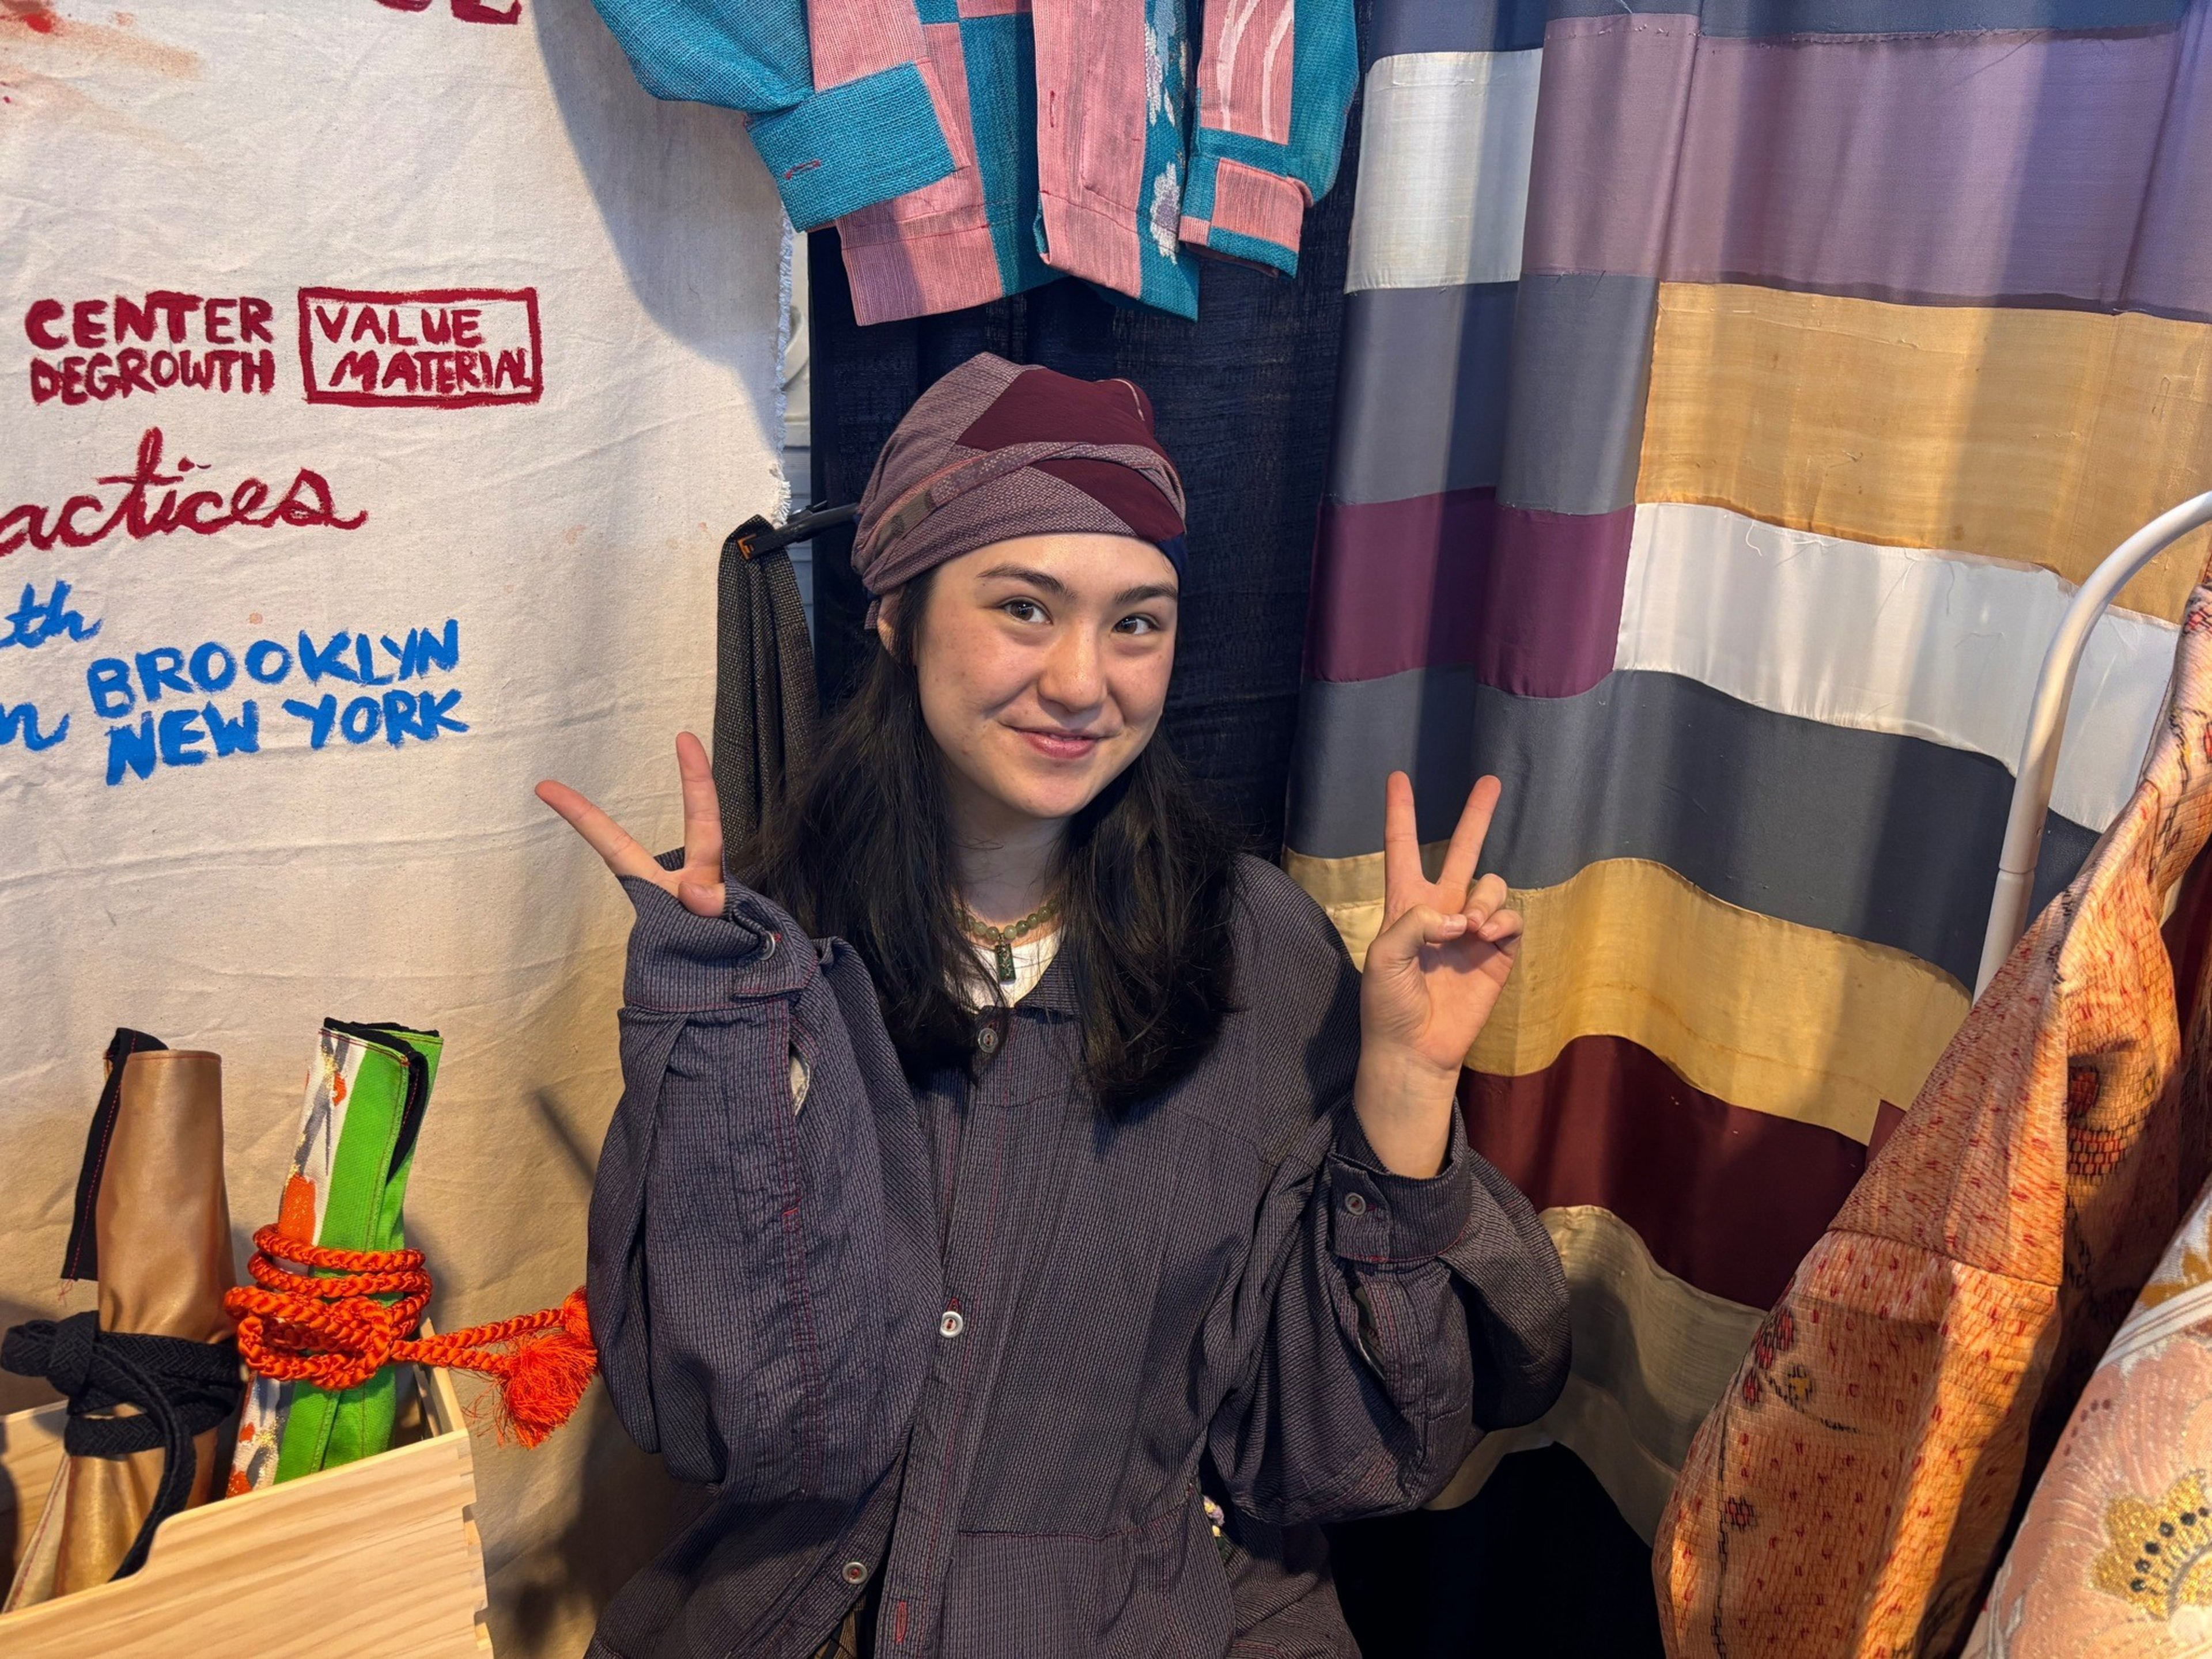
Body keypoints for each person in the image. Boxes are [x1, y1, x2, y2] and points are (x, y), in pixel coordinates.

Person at [538, 353, 1569, 1659]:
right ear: (895, 617)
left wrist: (1406, 1093)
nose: (1085, 682)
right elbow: (753, 1429)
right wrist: (731, 1043)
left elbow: (1328, 1459)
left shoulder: (1261, 953)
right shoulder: (767, 946)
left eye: (1136, 623)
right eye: (1024, 609)